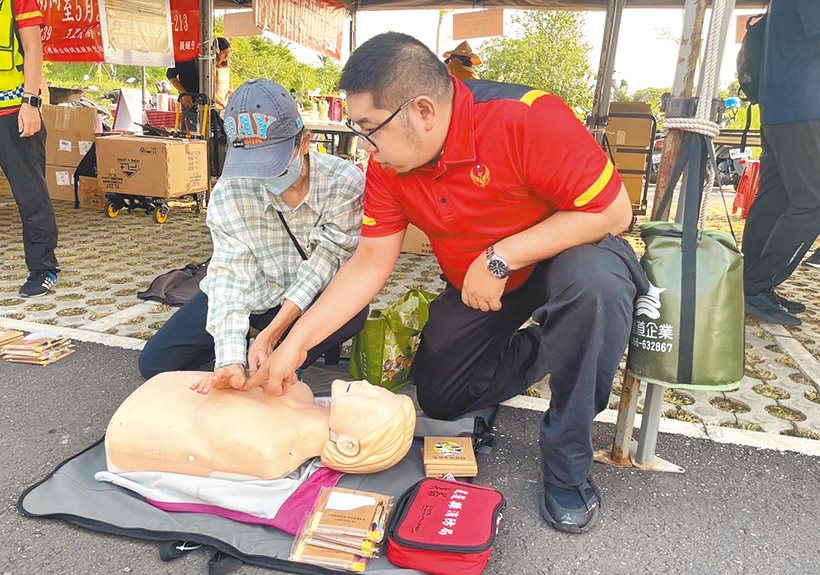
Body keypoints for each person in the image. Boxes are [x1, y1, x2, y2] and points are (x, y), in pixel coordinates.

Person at [209, 33, 647, 534]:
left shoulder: (525, 117)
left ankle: (568, 462)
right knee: (441, 395)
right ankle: (556, 345)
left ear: (422, 111)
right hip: (481, 283)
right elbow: (370, 262)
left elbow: (614, 211)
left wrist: (502, 255)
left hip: (568, 252)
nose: (367, 146)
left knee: (594, 288)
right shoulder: (388, 167)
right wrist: (295, 345)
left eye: (370, 129)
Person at [138, 79, 368, 389]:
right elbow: (231, 276)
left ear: (305, 142)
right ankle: (249, 341)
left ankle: (283, 353)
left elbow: (324, 264)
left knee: (351, 313)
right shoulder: (230, 189)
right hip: (257, 291)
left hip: (312, 297)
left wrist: (274, 334)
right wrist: (230, 357)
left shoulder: (344, 182)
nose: (261, 176)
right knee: (155, 363)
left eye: (271, 164)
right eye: (252, 164)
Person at [106, 373, 416, 479]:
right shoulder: (297, 390)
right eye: (378, 388)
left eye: (373, 398)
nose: (366, 383)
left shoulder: (270, 451)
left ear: (349, 445)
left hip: (132, 427)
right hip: (158, 397)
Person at [741, 0, 820, 326]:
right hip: (802, 108)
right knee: (812, 202)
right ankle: (756, 286)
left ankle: (752, 283)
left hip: (778, 108)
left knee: (777, 198)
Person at [0, 0, 59, 297]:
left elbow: (33, 47)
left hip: (12, 112)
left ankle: (43, 268)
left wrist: (31, 102)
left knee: (30, 195)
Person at [213, 37, 232, 114]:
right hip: (216, 108)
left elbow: (225, 87)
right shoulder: (212, 68)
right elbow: (211, 92)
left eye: (228, 52)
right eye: (224, 52)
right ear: (217, 52)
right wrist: (223, 104)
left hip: (224, 106)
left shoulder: (225, 68)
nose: (227, 55)